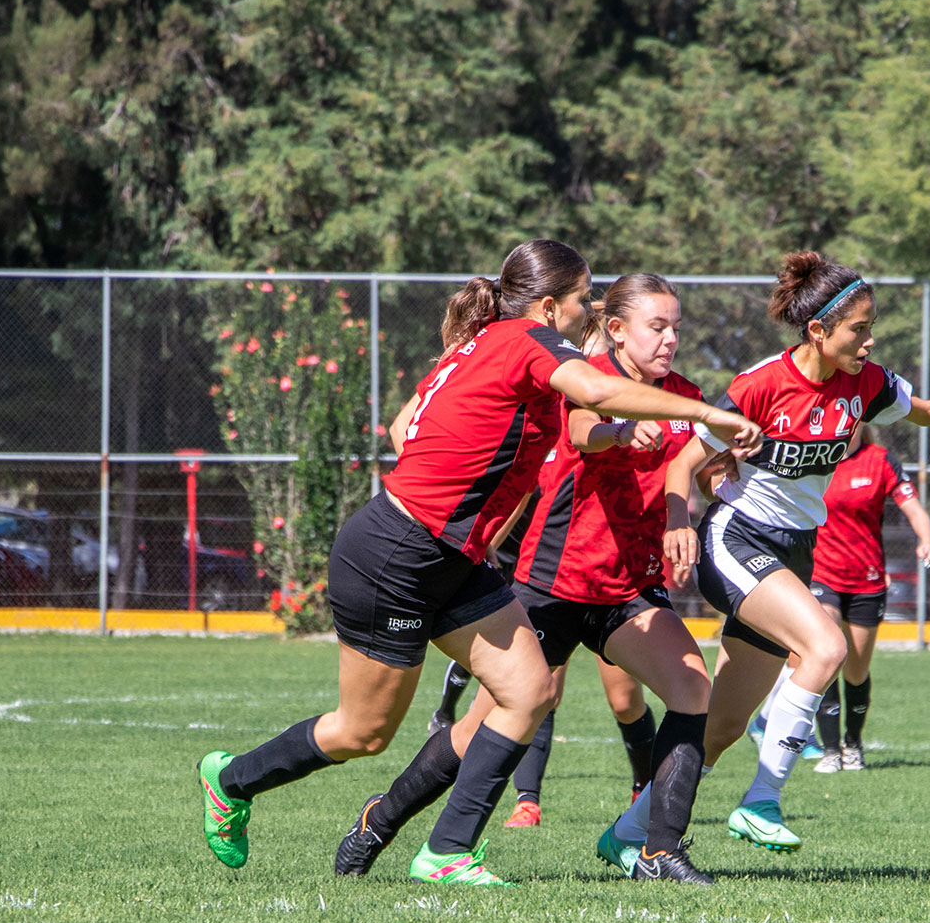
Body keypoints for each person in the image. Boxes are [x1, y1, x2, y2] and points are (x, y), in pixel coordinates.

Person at [197, 242, 757, 886]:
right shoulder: (526, 341)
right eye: (583, 301)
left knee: (527, 693)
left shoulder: (491, 346)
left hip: (457, 556)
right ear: (550, 307)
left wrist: (477, 495)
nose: (589, 313)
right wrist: (708, 413)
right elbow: (596, 399)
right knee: (363, 732)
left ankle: (446, 852)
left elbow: (406, 428)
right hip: (400, 554)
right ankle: (232, 779)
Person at [601, 250, 930, 859]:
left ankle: (624, 832)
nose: (869, 338)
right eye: (859, 328)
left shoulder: (869, 383)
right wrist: (678, 520)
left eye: (870, 326)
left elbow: (928, 412)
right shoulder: (759, 385)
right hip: (735, 540)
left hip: (792, 551)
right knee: (827, 645)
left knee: (722, 728)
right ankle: (760, 802)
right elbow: (684, 461)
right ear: (818, 331)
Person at [336, 272, 735, 884]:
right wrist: (620, 430)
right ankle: (380, 822)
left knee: (691, 689)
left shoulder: (681, 394)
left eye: (676, 328)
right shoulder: (580, 378)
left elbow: (691, 469)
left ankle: (659, 850)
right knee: (478, 728)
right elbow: (584, 430)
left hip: (626, 588)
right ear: (619, 331)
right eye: (658, 327)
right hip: (552, 583)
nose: (670, 340)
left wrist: (714, 483)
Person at [424, 492, 661, 828]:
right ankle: (527, 803)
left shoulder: (623, 453)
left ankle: (644, 790)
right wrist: (482, 546)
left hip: (612, 588)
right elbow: (514, 499)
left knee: (625, 701)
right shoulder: (550, 451)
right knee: (539, 693)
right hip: (555, 587)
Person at [804, 426, 930, 770]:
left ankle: (853, 743)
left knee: (856, 671)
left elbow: (913, 507)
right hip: (822, 576)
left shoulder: (880, 461)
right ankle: (831, 750)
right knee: (828, 654)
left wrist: (926, 539)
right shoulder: (815, 458)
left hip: (866, 580)